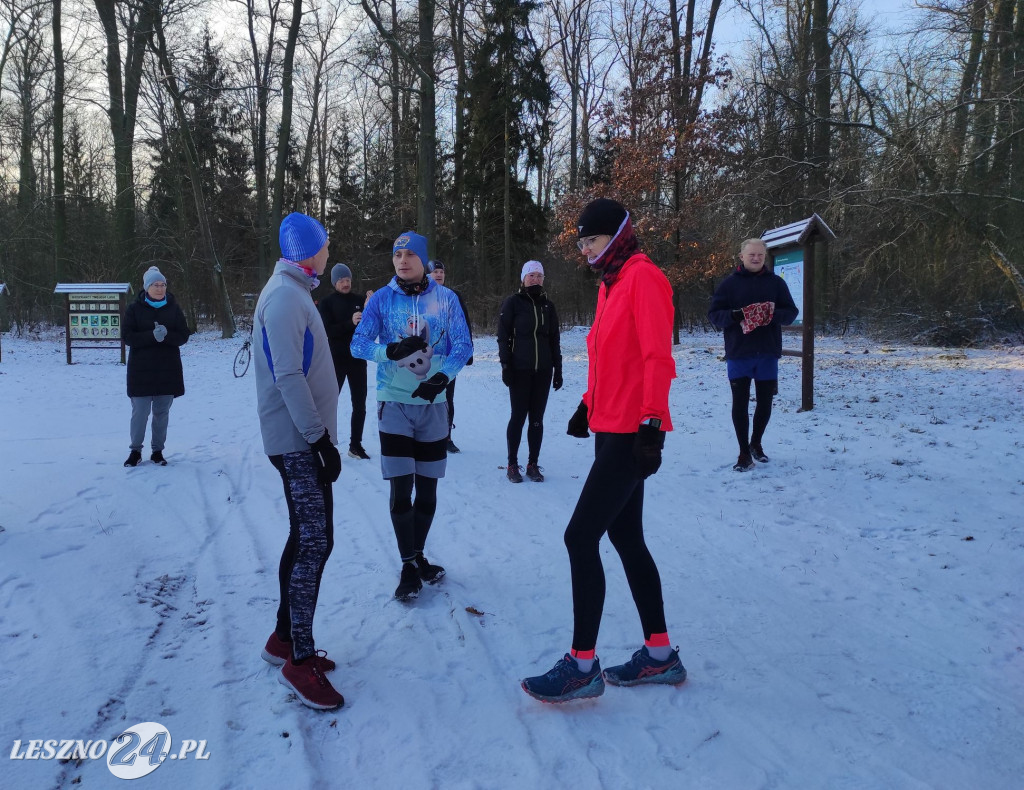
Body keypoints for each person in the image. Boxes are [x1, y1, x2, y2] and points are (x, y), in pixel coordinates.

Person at [521, 197, 686, 703]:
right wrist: (586, 404)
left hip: (633, 434)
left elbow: (657, 357)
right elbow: (606, 355)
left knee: (579, 538)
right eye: (582, 242)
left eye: (591, 240)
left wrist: (653, 423)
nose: (586, 249)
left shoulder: (644, 278)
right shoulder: (609, 285)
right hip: (609, 428)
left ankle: (582, 666)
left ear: (615, 236)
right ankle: (660, 656)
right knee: (627, 540)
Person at [254, 212, 344, 710]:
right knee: (314, 542)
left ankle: (283, 638)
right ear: (307, 250)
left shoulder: (293, 290)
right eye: (325, 245)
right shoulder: (287, 296)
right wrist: (318, 439)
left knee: (308, 536)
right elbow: (288, 375)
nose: (329, 253)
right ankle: (299, 658)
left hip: (301, 440)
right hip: (297, 441)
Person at [351, 232, 473, 601]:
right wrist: (389, 350)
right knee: (401, 489)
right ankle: (408, 565)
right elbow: (358, 344)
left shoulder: (446, 299)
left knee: (429, 490)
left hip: (433, 406)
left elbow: (463, 346)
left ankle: (418, 555)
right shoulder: (382, 300)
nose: (402, 260)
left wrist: (440, 378)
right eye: (397, 254)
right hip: (394, 404)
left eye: (409, 254)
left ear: (424, 260)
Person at [707, 238, 799, 471]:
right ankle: (743, 453)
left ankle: (756, 443)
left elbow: (790, 312)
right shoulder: (729, 285)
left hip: (767, 352)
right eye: (751, 255)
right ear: (741, 257)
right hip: (739, 352)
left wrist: (771, 314)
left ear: (764, 256)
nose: (756, 258)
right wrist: (735, 316)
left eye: (760, 255)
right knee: (740, 403)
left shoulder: (776, 283)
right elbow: (714, 315)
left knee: (765, 402)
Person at [497, 260, 563, 483]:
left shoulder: (548, 306)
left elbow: (554, 339)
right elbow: (503, 337)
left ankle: (533, 464)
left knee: (537, 419)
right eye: (531, 275)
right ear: (523, 279)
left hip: (543, 370)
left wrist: (558, 369)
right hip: (520, 370)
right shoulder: (512, 303)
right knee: (518, 417)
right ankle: (512, 464)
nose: (535, 279)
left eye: (539, 275)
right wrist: (506, 365)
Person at [123, 265, 191, 467]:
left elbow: (184, 334)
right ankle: (135, 451)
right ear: (146, 287)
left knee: (162, 414)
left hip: (167, 370)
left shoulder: (173, 308)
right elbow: (127, 336)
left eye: (163, 284)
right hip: (141, 371)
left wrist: (167, 336)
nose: (160, 288)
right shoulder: (134, 309)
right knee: (140, 413)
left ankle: (158, 451)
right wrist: (150, 336)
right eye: (155, 285)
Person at [318, 263, 374, 460]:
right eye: (341, 280)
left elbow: (370, 329)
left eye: (348, 280)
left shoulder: (360, 300)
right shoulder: (327, 303)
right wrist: (350, 322)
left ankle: (355, 445)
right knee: (329, 403)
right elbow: (328, 331)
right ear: (334, 282)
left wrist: (371, 308)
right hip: (336, 360)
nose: (345, 283)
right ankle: (323, 444)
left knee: (360, 404)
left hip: (358, 360)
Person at [428, 260, 473, 453]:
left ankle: (446, 436)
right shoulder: (420, 297)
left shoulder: (454, 296)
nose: (438, 275)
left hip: (449, 357)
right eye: (434, 272)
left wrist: (467, 351)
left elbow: (465, 324)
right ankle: (427, 436)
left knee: (447, 397)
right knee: (425, 396)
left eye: (441, 271)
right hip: (426, 357)